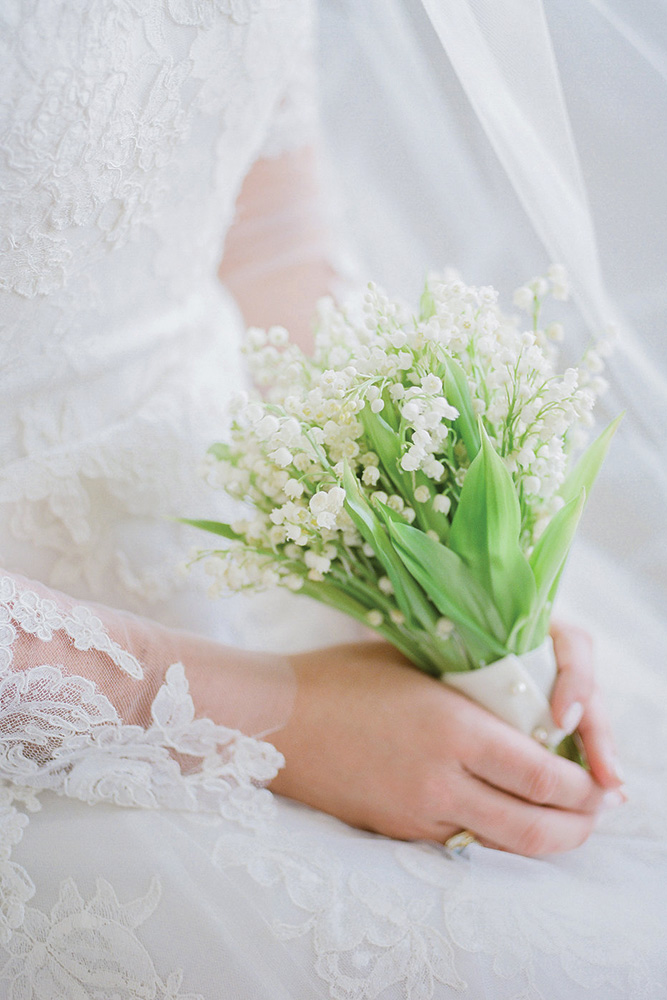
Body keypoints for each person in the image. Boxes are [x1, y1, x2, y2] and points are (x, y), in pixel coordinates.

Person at [0, 1, 665, 997]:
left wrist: (453, 579)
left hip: (252, 533)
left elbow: (270, 241)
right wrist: (284, 722)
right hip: (57, 674)